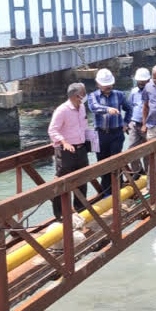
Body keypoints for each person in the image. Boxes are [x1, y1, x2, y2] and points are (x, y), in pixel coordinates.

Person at [87, 69, 132, 196]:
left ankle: (118, 190)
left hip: (116, 134)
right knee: (102, 164)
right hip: (100, 135)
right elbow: (94, 108)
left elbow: (129, 109)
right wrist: (108, 110)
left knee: (115, 163)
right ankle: (107, 193)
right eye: (105, 84)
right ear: (98, 84)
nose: (108, 87)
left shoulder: (119, 95)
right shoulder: (93, 96)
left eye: (110, 84)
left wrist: (125, 123)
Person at [48, 83, 89, 215]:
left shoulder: (82, 107)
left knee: (82, 179)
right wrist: (63, 142)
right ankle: (60, 213)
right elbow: (52, 130)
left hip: (81, 148)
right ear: (77, 96)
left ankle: (80, 208)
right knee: (63, 182)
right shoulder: (62, 110)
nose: (85, 95)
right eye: (83, 93)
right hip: (66, 151)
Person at [127, 67, 151, 177]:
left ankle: (149, 173)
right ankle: (137, 171)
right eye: (139, 82)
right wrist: (128, 122)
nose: (141, 83)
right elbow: (131, 106)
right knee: (131, 149)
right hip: (135, 123)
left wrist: (146, 124)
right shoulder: (133, 92)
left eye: (143, 82)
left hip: (149, 125)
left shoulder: (152, 91)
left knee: (148, 151)